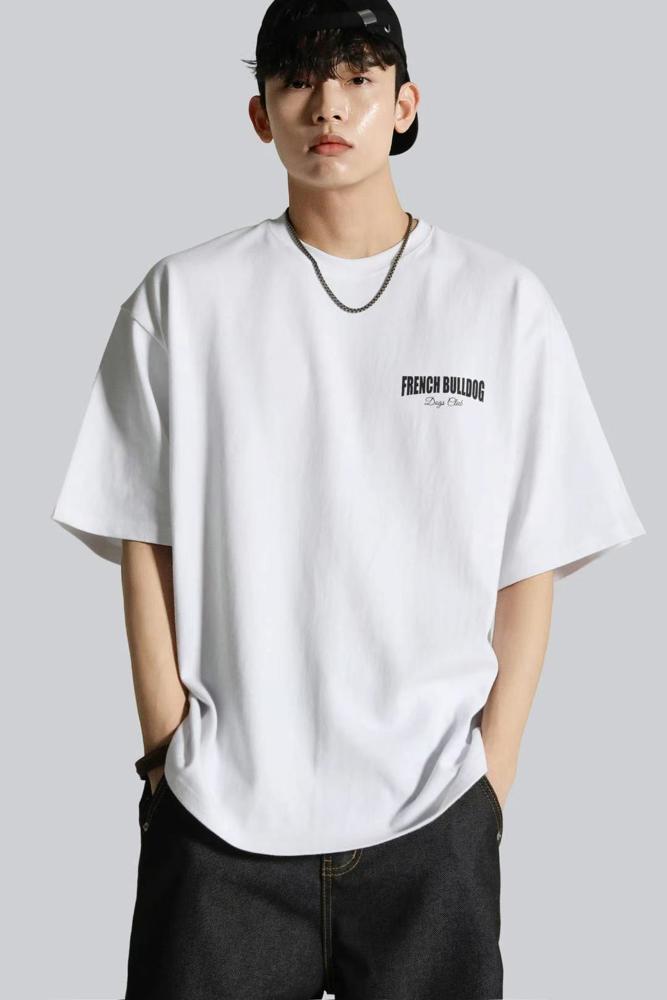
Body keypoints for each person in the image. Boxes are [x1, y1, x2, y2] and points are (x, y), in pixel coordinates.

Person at [50, 2, 647, 998]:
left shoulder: (500, 304)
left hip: (433, 821)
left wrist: (489, 779)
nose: (327, 104)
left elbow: (533, 553)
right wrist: (164, 756)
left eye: (358, 78)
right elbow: (137, 531)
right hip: (221, 824)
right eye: (297, 80)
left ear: (405, 104)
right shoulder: (183, 300)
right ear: (260, 115)